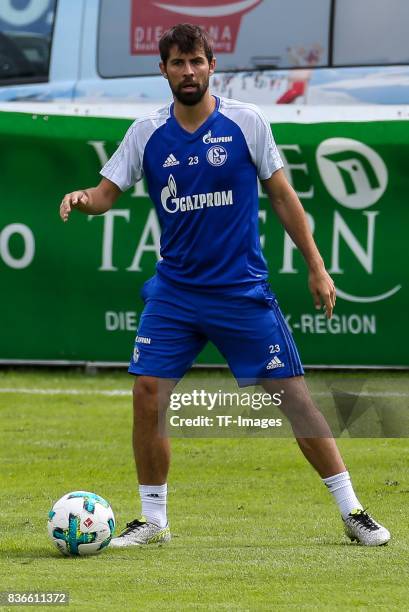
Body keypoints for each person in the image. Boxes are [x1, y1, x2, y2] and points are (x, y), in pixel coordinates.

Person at [59, 24, 390, 547]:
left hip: (240, 291)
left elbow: (283, 198)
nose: (187, 71)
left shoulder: (246, 122)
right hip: (175, 293)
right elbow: (106, 194)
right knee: (147, 393)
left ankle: (353, 511)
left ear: (212, 66)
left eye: (195, 61)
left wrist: (317, 267)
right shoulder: (146, 132)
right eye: (176, 63)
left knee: (294, 398)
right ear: (162, 70)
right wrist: (84, 197)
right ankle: (153, 520)